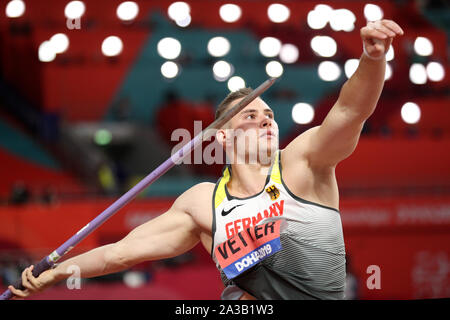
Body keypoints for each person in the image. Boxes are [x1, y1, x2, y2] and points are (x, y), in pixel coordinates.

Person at [8, 20, 404, 300]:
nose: (266, 120)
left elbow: (350, 111)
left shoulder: (301, 163)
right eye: (251, 115)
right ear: (223, 134)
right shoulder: (202, 203)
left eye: (269, 115)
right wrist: (57, 273)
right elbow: (120, 253)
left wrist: (371, 60)